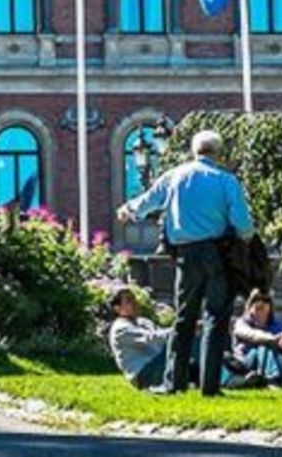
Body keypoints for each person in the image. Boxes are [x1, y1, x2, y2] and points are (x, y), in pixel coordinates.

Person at [117, 129, 255, 397]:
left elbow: (149, 200)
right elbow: (244, 225)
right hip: (219, 254)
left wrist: (127, 210)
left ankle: (174, 383)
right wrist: (245, 239)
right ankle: (210, 386)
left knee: (184, 317)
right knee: (216, 317)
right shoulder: (227, 180)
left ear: (194, 151)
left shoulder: (175, 176)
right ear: (219, 153)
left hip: (185, 255)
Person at [232, 289, 282, 388]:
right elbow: (251, 335)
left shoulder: (275, 324)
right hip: (245, 363)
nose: (260, 308)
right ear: (249, 307)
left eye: (265, 302)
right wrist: (272, 339)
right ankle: (272, 380)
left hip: (269, 360)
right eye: (256, 304)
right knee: (265, 346)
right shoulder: (241, 323)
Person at [107, 287, 175, 389]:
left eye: (134, 299)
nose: (134, 303)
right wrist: (181, 330)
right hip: (143, 374)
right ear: (118, 309)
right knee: (181, 344)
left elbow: (162, 334)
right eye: (129, 300)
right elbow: (152, 338)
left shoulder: (144, 322)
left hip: (158, 365)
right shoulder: (120, 328)